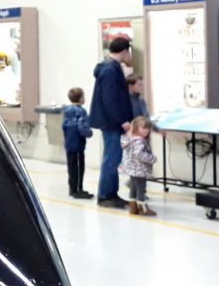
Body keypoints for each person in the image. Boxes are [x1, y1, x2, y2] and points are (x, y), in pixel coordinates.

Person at [89, 37, 133, 209]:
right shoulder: (110, 70)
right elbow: (110, 99)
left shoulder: (111, 67)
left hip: (111, 121)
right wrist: (122, 120)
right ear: (124, 51)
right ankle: (105, 195)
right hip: (112, 122)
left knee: (114, 159)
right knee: (112, 159)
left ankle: (112, 194)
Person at [120, 116, 157, 216]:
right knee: (141, 189)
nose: (146, 130)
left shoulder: (130, 139)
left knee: (133, 189)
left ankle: (133, 208)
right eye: (143, 128)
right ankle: (143, 209)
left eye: (148, 128)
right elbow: (139, 155)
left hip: (132, 169)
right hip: (140, 170)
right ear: (136, 128)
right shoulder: (140, 141)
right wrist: (152, 158)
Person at [61, 88, 94, 199]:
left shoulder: (66, 110)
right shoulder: (81, 111)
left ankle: (72, 189)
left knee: (71, 167)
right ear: (80, 99)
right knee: (79, 167)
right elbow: (82, 127)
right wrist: (89, 133)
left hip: (69, 143)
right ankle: (79, 189)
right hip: (78, 143)